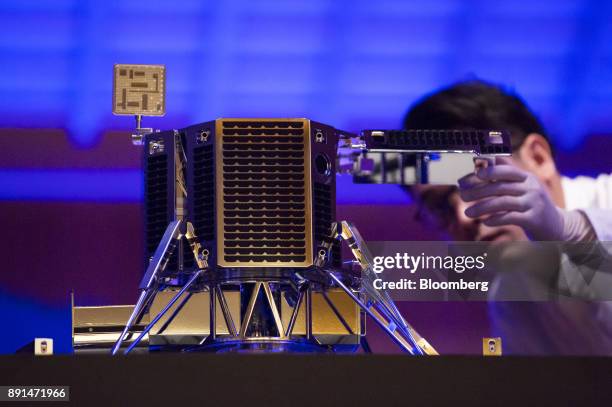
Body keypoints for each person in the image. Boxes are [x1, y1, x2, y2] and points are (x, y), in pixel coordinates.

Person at [403, 80, 612, 354]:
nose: (464, 216)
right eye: (439, 206)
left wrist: (567, 230)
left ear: (538, 159)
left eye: (475, 179)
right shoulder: (510, 298)